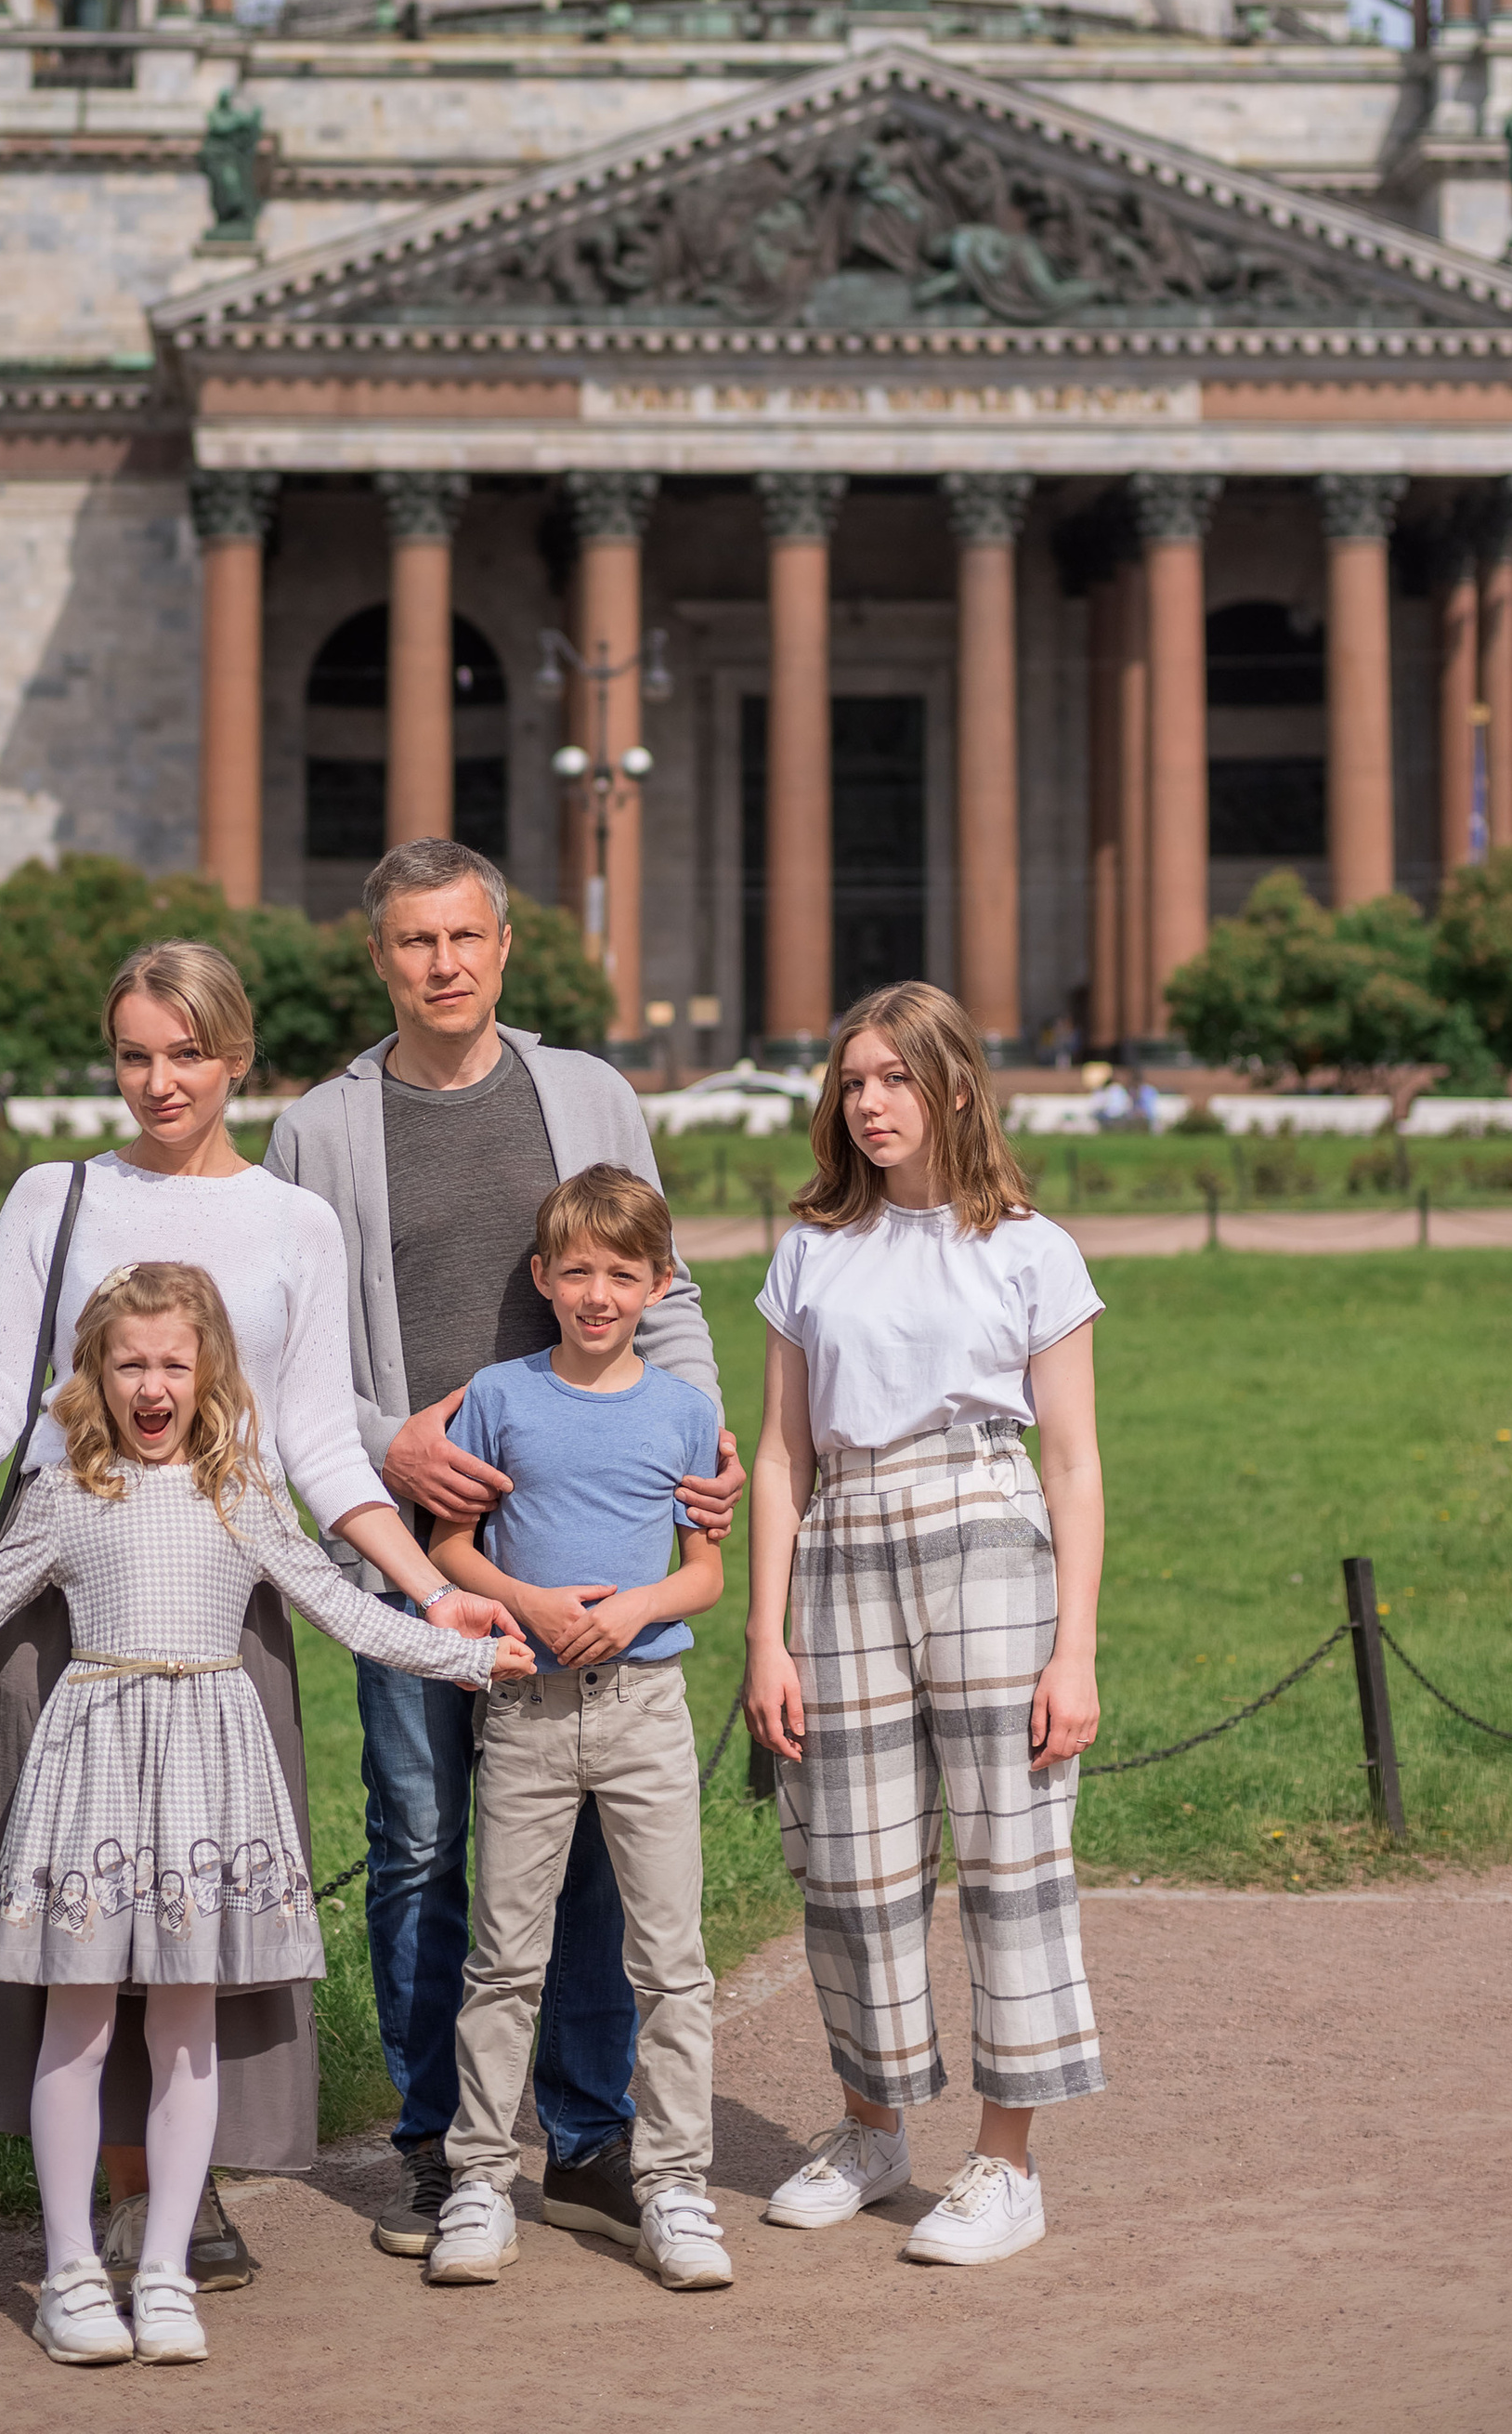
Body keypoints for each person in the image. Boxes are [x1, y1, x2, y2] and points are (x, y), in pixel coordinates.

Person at [0, 937, 516, 2298]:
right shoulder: (55, 1196)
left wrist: (432, 1591)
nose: (159, 1081)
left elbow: (317, 1446)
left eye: (186, 1053)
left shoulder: (295, 1222)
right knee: (76, 1915)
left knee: (190, 1905)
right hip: (58, 1584)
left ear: (236, 1056)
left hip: (221, 1588)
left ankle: (181, 2196)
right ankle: (114, 2202)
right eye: (133, 1054)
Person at [265, 837, 744, 2258]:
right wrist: (387, 1445)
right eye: (416, 942)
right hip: (408, 1558)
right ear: (379, 959)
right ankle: (438, 2145)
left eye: (465, 937)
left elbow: (665, 1291)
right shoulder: (320, 1130)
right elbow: (287, 1357)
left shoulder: (585, 1092)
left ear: (503, 947)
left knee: (587, 1852)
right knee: (420, 1845)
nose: (444, 964)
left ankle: (588, 2137)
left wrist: (699, 1443)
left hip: (576, 1552)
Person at [743, 979, 1106, 2269]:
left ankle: (1007, 2164)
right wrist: (765, 1636)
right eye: (852, 1082)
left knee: (1011, 1861)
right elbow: (780, 1457)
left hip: (988, 1529)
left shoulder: (1030, 1248)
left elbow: (1074, 1462)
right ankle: (871, 2128)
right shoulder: (812, 1250)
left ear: (954, 1086)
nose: (869, 1103)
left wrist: (1075, 1650)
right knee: (851, 1863)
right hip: (844, 1535)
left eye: (894, 1077)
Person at [424, 1165, 732, 2294]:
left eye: (622, 1274)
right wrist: (529, 1603)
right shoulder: (497, 1396)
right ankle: (476, 2182)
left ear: (658, 1284)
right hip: (526, 1713)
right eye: (578, 1273)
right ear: (543, 1278)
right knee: (505, 1960)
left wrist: (637, 1606)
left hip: (644, 1712)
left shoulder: (684, 1411)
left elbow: (703, 1576)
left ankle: (675, 2186)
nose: (598, 1295)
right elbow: (448, 1548)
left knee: (671, 1962)